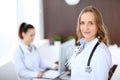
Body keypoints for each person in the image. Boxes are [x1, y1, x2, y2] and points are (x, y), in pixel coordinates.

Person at [70, 6, 112, 80]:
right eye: (82, 23)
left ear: (98, 26)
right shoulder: (84, 44)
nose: (86, 28)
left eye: (91, 23)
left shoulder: (100, 53)